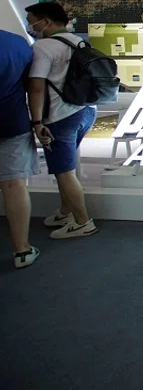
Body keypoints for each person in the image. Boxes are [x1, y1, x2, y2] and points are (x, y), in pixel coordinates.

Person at [24, 2, 98, 239]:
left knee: (64, 171)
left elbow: (36, 86)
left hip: (59, 116)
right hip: (85, 111)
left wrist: (37, 122)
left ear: (45, 21)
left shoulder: (43, 47)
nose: (30, 26)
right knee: (67, 166)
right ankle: (66, 211)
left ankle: (82, 221)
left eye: (32, 20)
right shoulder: (78, 42)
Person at [0, 29, 41, 268]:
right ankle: (22, 250)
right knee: (14, 184)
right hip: (12, 122)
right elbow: (32, 84)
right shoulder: (17, 43)